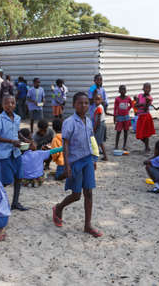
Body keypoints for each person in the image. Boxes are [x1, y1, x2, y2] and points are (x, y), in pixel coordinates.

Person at [52, 92, 102, 238]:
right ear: (74, 105)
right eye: (80, 103)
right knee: (76, 195)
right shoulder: (69, 122)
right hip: (75, 162)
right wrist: (67, 165)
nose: (84, 105)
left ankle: (87, 225)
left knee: (89, 193)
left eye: (86, 103)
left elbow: (91, 140)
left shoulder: (89, 121)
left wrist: (94, 159)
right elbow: (65, 145)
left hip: (87, 160)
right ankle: (59, 208)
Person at [0, 95, 27, 211]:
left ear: (15, 104)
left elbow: (17, 132)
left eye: (12, 103)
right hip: (4, 153)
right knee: (5, 181)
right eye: (6, 103)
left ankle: (15, 202)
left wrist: (24, 139)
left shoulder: (17, 118)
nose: (9, 105)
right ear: (2, 105)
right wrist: (12, 141)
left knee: (19, 177)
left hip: (16, 152)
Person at [135, 83, 156, 152]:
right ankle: (147, 146)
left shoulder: (150, 98)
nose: (147, 89)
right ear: (143, 88)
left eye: (148, 88)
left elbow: (145, 109)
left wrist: (147, 103)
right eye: (145, 88)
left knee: (146, 133)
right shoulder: (140, 95)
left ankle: (147, 147)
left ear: (150, 89)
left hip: (146, 116)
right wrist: (141, 104)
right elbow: (136, 105)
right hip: (140, 116)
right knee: (139, 133)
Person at [113, 85, 132, 150]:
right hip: (120, 117)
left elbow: (131, 105)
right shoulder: (117, 99)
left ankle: (124, 145)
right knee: (118, 131)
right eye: (121, 90)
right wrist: (115, 116)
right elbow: (115, 108)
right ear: (119, 91)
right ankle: (116, 145)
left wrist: (128, 109)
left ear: (126, 91)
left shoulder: (128, 98)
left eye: (124, 89)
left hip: (126, 117)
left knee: (126, 131)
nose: (123, 91)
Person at [93, 95, 108, 161]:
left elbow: (98, 120)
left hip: (100, 125)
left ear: (101, 100)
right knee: (100, 141)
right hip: (101, 124)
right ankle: (105, 156)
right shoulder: (99, 107)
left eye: (98, 99)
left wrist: (95, 128)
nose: (97, 101)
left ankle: (95, 156)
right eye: (95, 99)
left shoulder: (99, 108)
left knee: (97, 141)